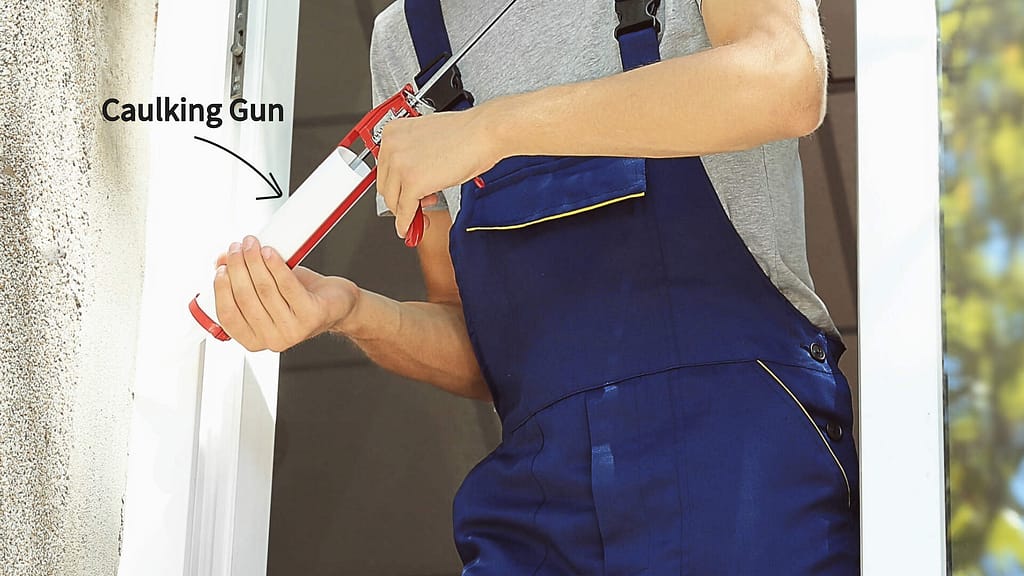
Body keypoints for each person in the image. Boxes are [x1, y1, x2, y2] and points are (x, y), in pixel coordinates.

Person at [212, 0, 860, 573]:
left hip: (735, 452)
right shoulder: (407, 37)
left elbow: (785, 77)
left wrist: (495, 128)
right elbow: (484, 347)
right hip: (540, 503)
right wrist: (349, 311)